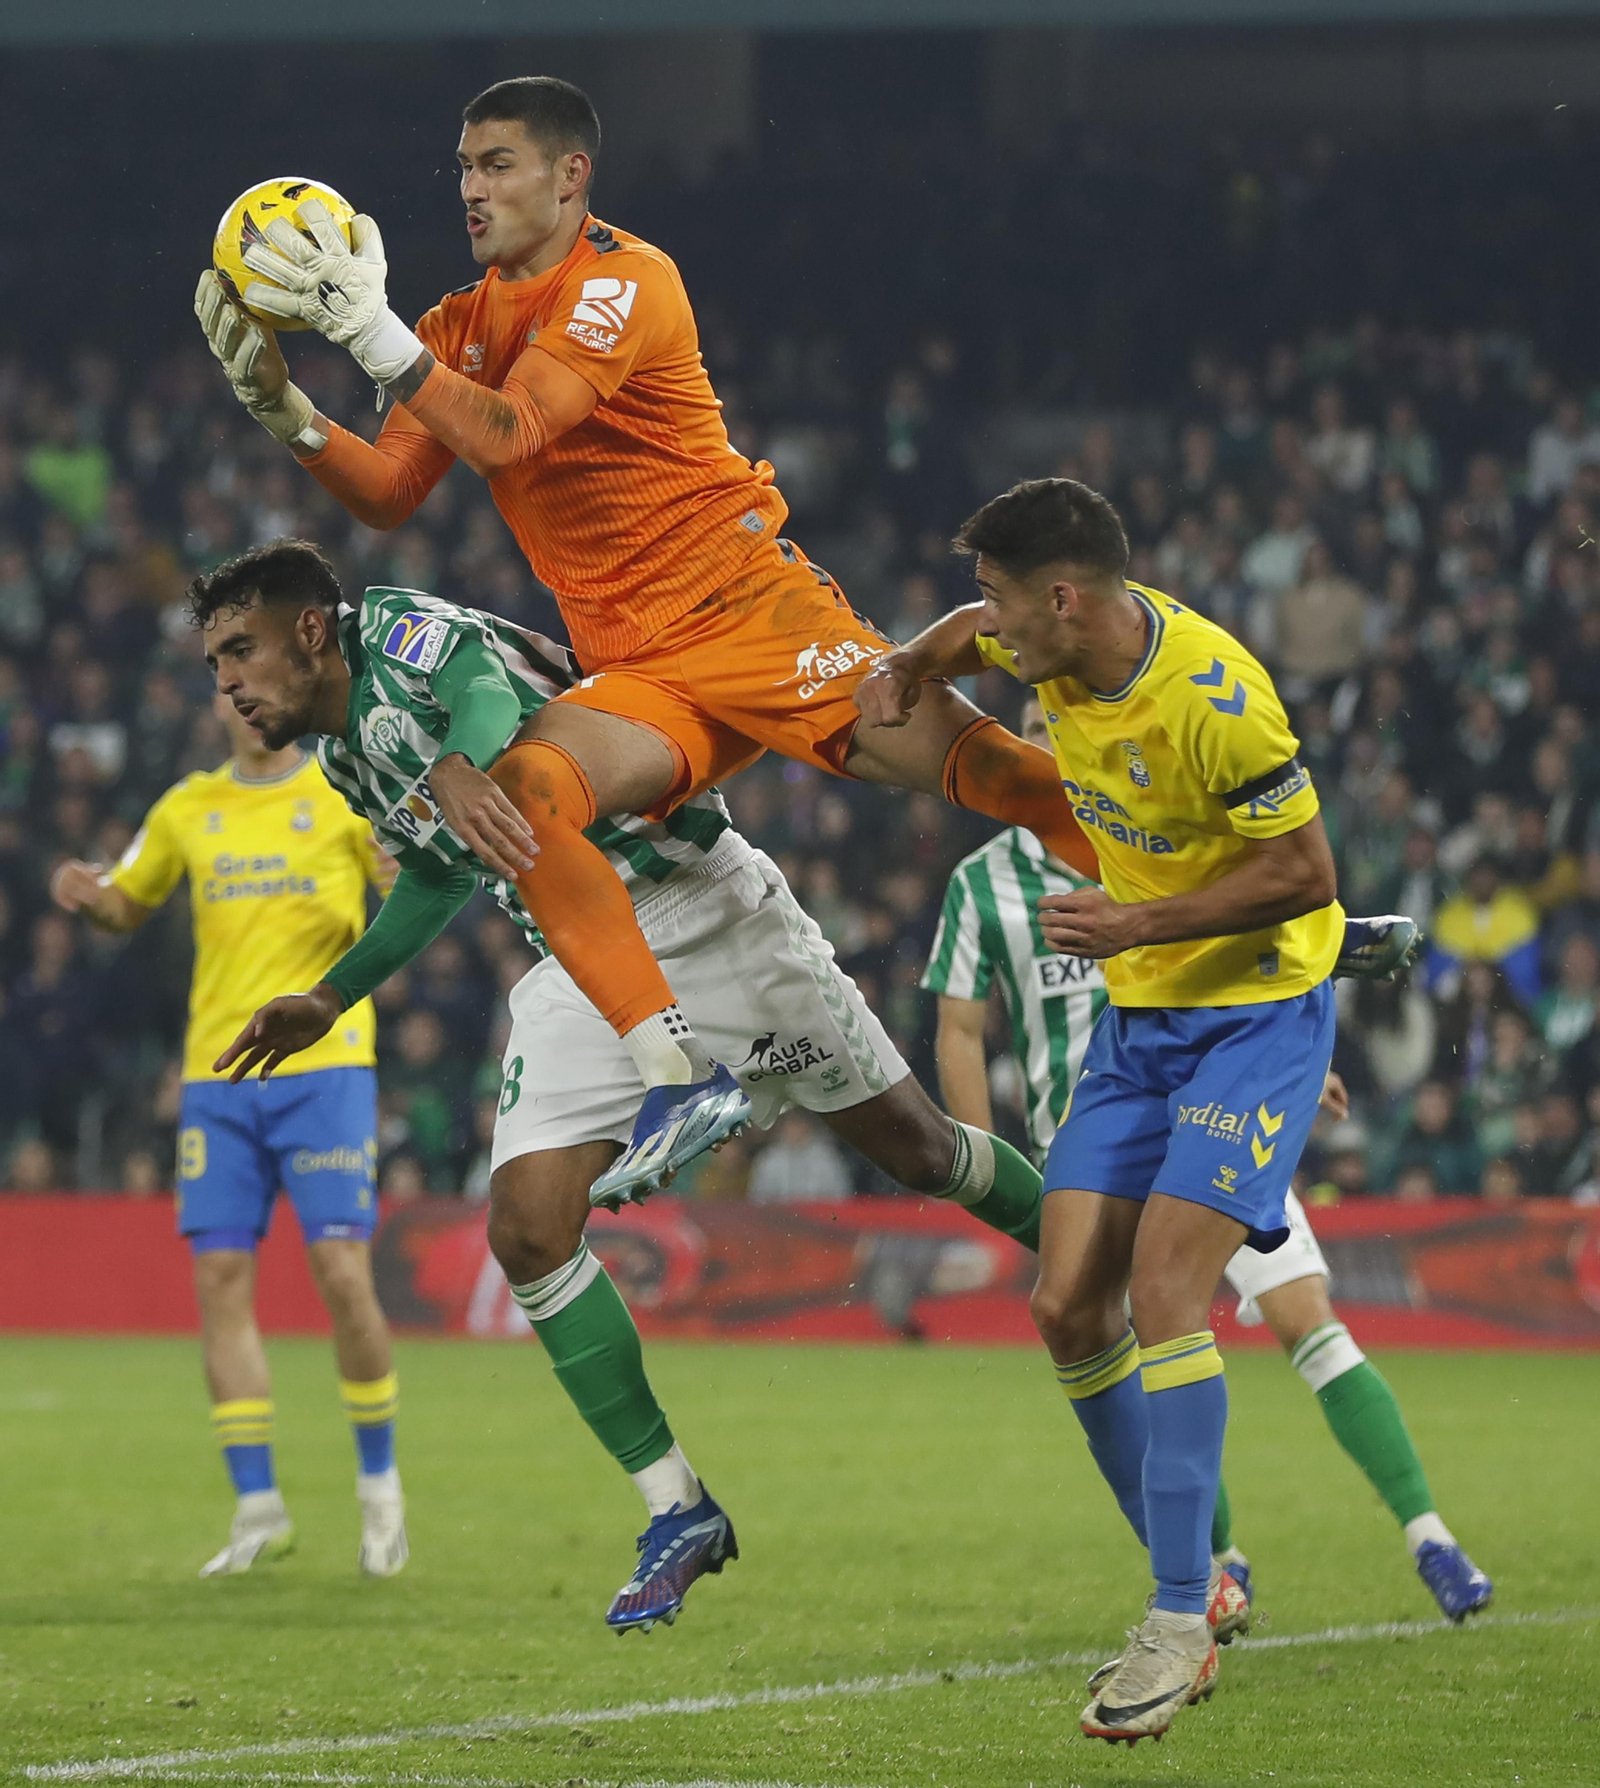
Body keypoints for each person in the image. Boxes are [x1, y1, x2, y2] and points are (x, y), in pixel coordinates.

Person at [192, 74, 1100, 1212]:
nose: (471, 188)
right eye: (464, 165)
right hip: (640, 671)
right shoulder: (454, 327)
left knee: (1005, 782)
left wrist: (370, 335)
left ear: (572, 177)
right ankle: (669, 1063)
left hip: (753, 618)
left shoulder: (626, 279)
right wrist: (287, 411)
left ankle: (1262, 914)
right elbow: (388, 493)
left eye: (498, 163)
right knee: (524, 796)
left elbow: (515, 435)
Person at [187, 539, 1049, 1634]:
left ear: (311, 629)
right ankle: (675, 1505)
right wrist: (333, 993)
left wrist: (461, 760)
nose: (226, 683)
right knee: (529, 1229)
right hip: (578, 955)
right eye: (215, 663)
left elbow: (487, 697)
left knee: (925, 1155)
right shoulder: (347, 764)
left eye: (239, 650)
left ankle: (1079, 1250)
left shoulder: (402, 635)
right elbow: (449, 872)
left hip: (707, 906)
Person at [858, 476, 1345, 1744]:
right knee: (1068, 1303)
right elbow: (966, 632)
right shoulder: (1047, 645)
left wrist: (1137, 919)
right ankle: (1198, 1574)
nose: (993, 627)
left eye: (1007, 604)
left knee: (1168, 1294)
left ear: (1064, 601)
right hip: (1142, 1025)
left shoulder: (1215, 698)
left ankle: (1181, 1614)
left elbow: (1305, 872)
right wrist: (909, 663)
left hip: (1253, 1017)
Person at [924, 699, 1492, 1629]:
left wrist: (1293, 1070)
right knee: (1154, 1344)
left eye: (1060, 736)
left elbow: (1244, 944)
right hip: (1095, 1157)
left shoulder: (1144, 844)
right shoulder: (982, 886)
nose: (1051, 751)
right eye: (1033, 738)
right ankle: (1219, 1565)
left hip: (1214, 1113)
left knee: (1307, 1320)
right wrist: (992, 1171)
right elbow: (958, 1027)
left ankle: (1428, 1533)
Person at [49, 694, 404, 1580]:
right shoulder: (186, 807)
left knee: (341, 1274)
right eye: (229, 682)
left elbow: (406, 888)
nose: (248, 704)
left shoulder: (342, 790)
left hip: (325, 1069)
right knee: (218, 1278)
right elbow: (128, 904)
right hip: (217, 1079)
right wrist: (92, 899)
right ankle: (258, 1511)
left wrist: (402, 863)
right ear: (217, 704)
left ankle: (380, 1493)